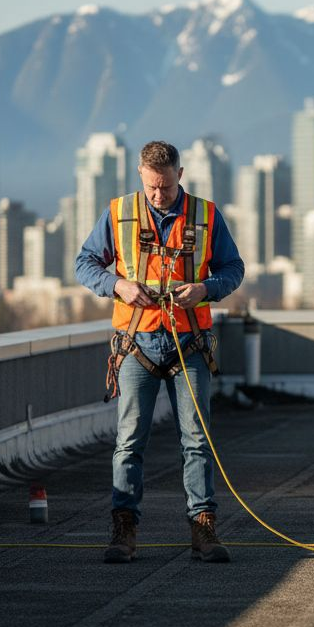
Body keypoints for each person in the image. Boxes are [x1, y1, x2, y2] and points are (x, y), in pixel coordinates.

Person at [75, 140, 244, 564]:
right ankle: (124, 530)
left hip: (190, 344)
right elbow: (85, 263)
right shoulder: (119, 213)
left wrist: (205, 288)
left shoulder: (206, 216)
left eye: (166, 187)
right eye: (151, 186)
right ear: (140, 175)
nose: (158, 195)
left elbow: (233, 268)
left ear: (180, 175)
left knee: (197, 440)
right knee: (129, 441)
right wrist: (118, 285)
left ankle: (203, 528)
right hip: (138, 344)